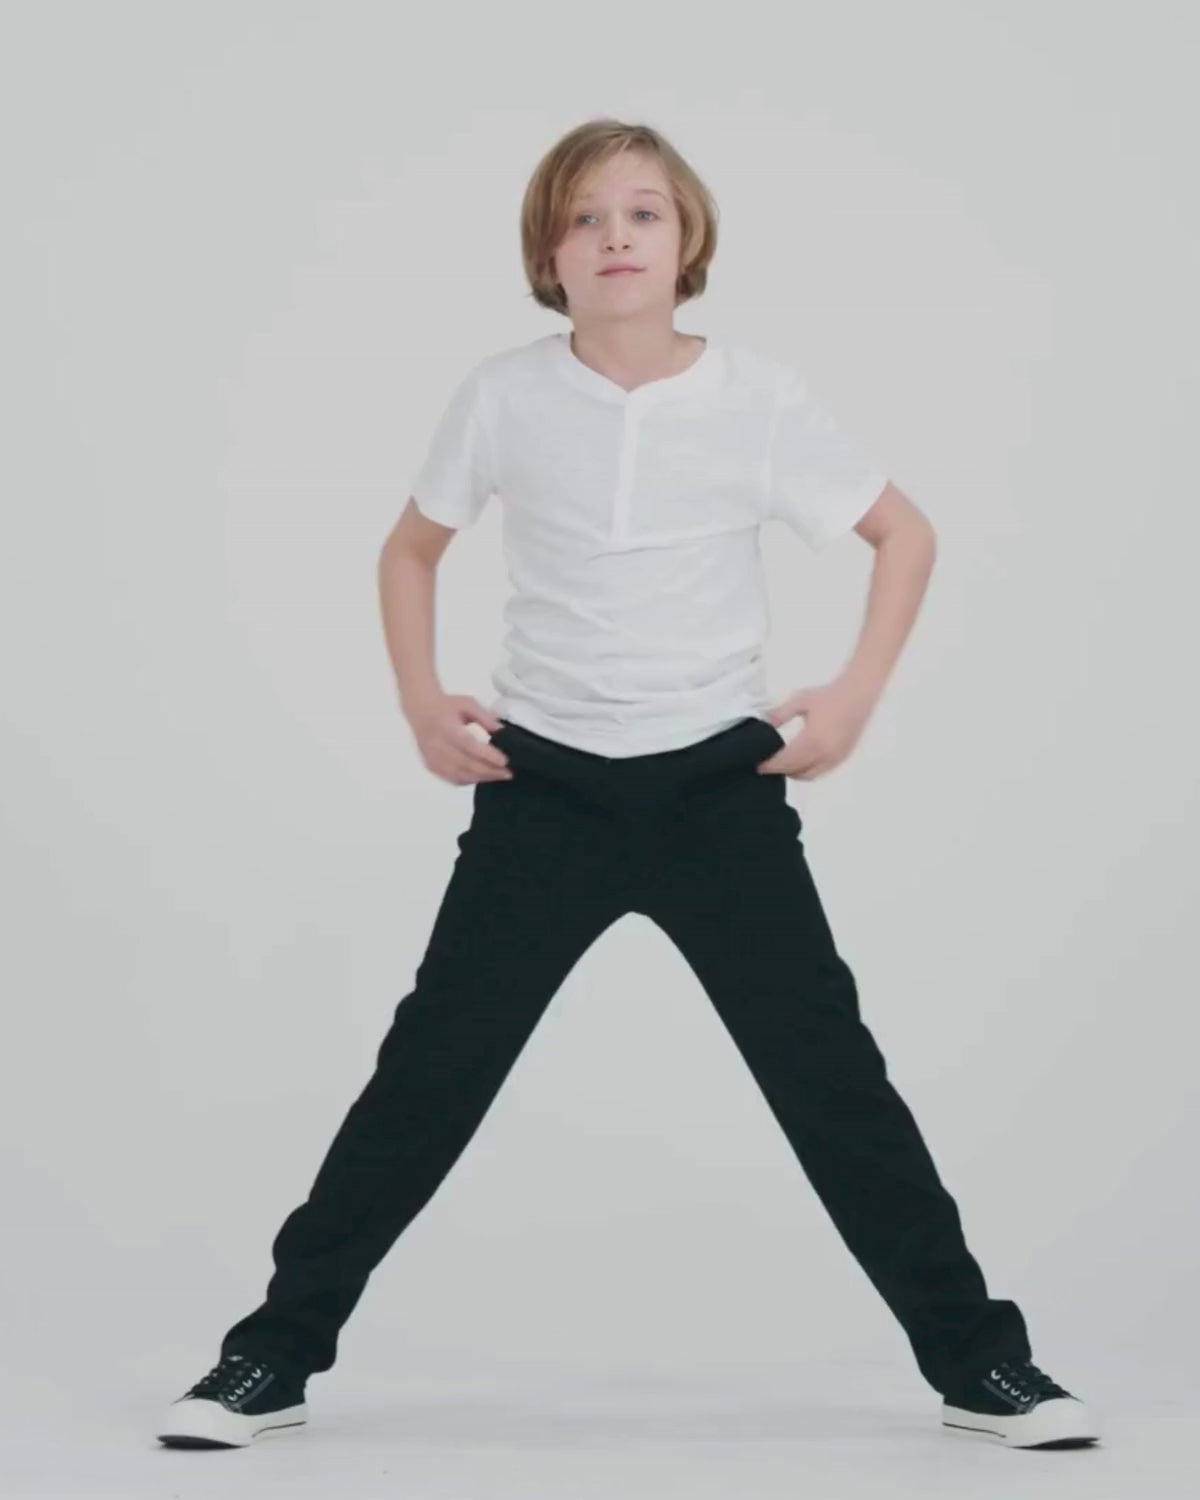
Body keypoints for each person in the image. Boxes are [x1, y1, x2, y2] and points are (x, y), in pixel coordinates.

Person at [156, 118, 1100, 1453]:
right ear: (549, 251)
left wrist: (854, 695)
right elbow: (409, 552)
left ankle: (980, 1363)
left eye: (643, 214)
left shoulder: (759, 398)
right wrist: (424, 703)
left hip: (717, 789)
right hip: (545, 790)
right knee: (426, 1077)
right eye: (586, 217)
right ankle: (269, 1357)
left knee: (835, 1082)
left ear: (687, 241)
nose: (614, 236)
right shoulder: (502, 395)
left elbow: (904, 533)